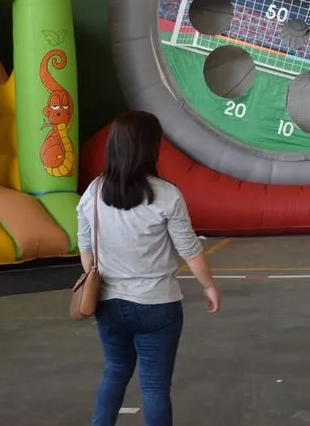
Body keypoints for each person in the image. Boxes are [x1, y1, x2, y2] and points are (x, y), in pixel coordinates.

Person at [77, 110, 221, 426]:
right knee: (155, 388)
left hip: (109, 303)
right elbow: (189, 250)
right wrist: (209, 286)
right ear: (150, 148)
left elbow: (86, 249)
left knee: (115, 372)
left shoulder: (93, 192)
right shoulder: (167, 195)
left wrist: (93, 279)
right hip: (158, 305)